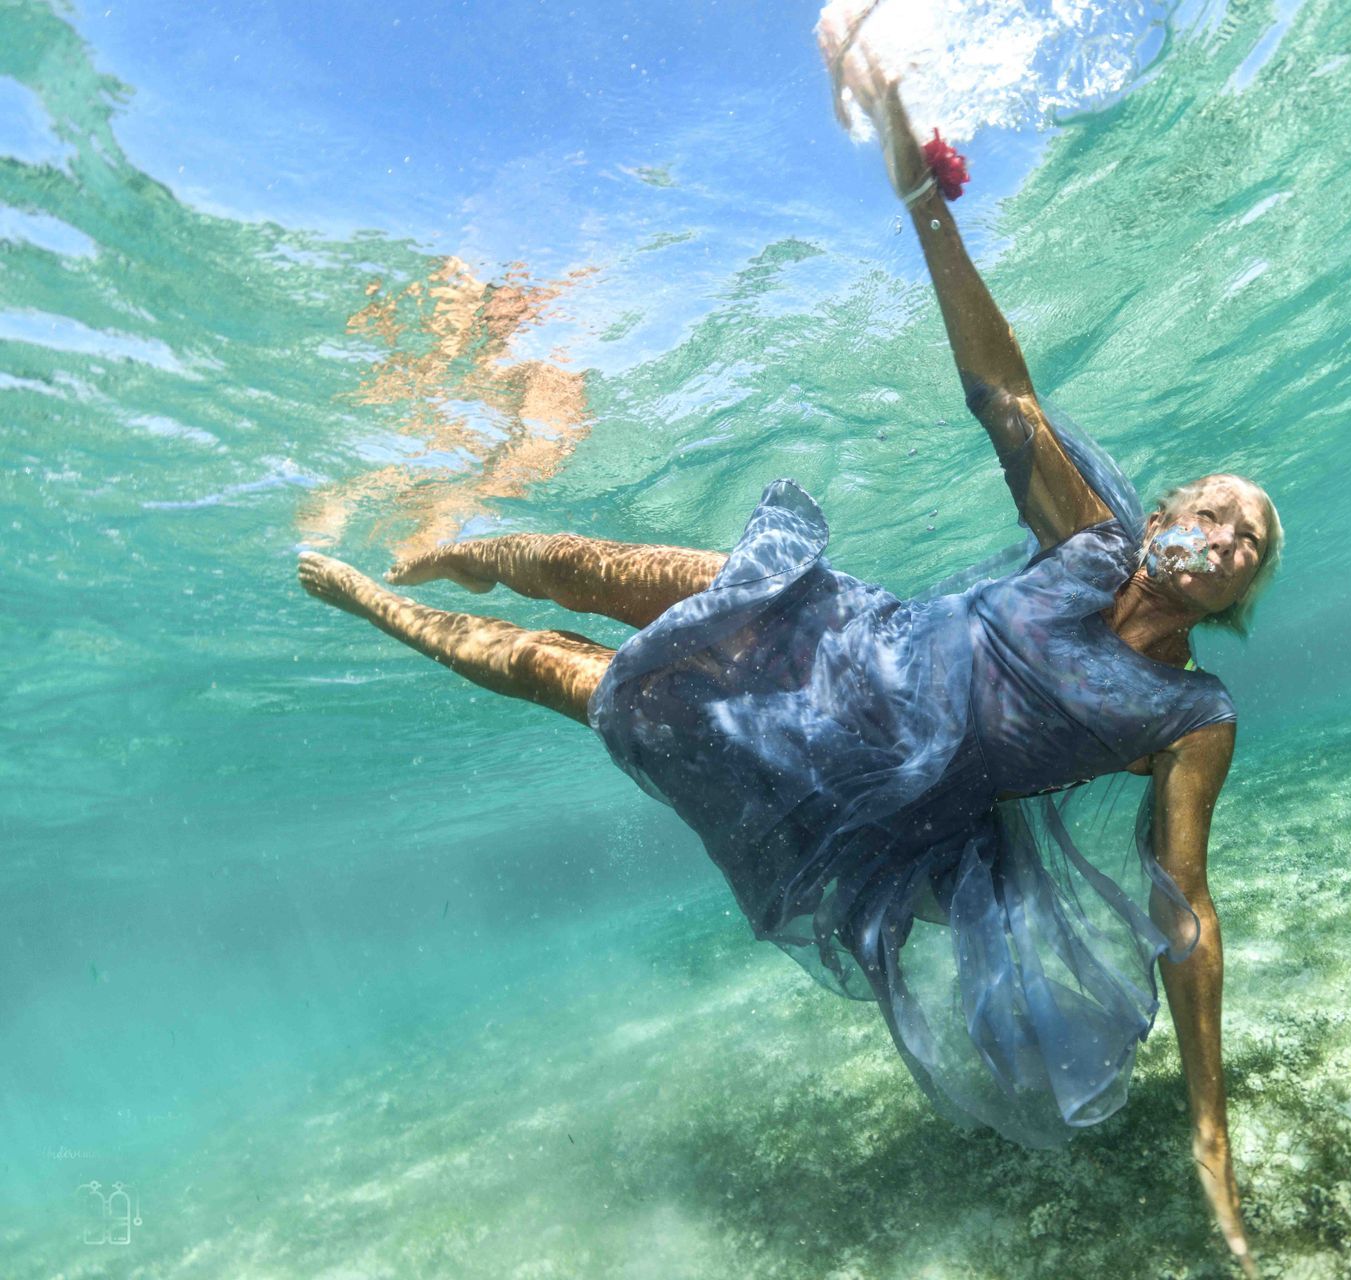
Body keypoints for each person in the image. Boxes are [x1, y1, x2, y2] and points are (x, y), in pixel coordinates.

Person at [296, 29, 1281, 1276]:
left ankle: (375, 605)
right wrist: (922, 192)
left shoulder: (1192, 711)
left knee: (570, 678)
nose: (1226, 530)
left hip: (853, 783)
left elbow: (1186, 908)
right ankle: (456, 544)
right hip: (838, 632)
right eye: (1215, 506)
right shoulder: (1088, 538)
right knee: (615, 570)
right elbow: (1003, 391)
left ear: (1243, 582)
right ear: (1171, 515)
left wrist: (1209, 1123)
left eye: (1252, 534)